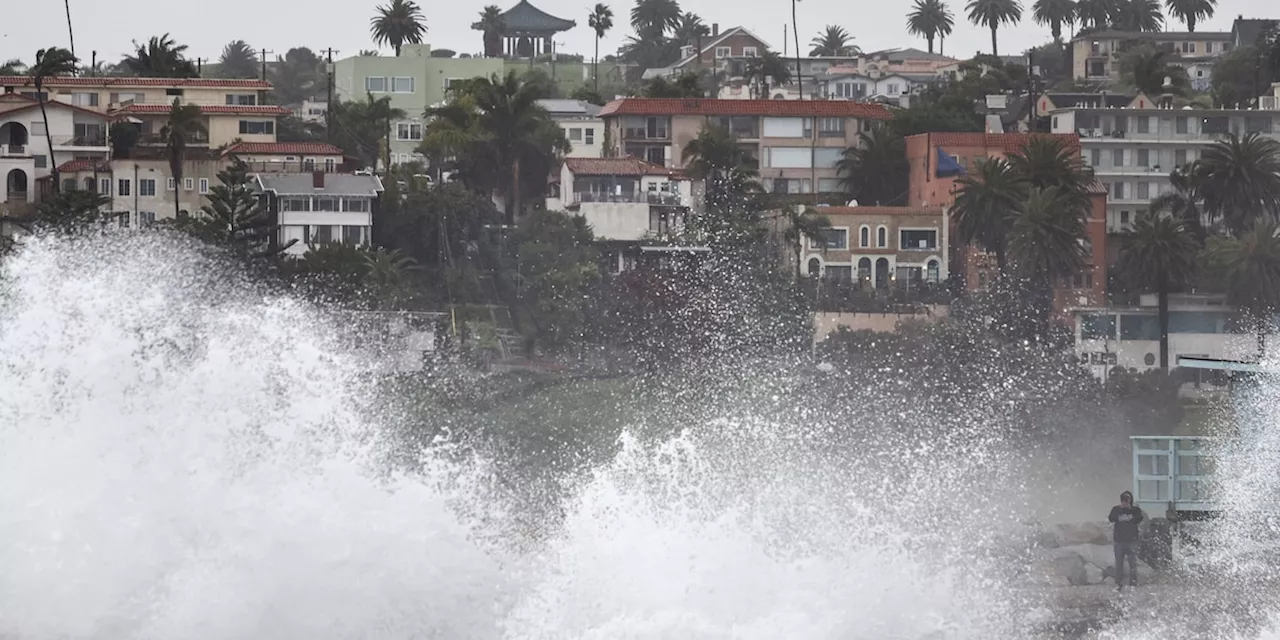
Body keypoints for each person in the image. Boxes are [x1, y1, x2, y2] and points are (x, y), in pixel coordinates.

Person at [1108, 490, 1144, 591]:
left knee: (1132, 562)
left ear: (1130, 501)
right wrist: (1120, 510)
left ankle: (1133, 582)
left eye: (1126, 500)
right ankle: (1118, 583)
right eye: (1123, 500)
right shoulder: (1116, 509)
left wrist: (1130, 510)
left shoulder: (1136, 510)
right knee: (1119, 563)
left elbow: (1140, 518)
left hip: (1131, 540)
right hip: (1119, 540)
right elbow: (1111, 518)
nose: (1124, 502)